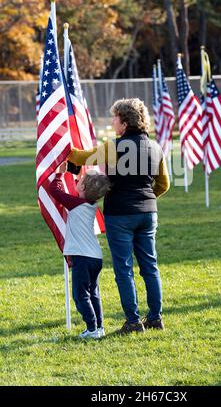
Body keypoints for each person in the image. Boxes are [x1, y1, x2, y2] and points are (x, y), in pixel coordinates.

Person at [68, 98, 170, 334]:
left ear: (124, 123)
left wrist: (64, 144)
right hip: (148, 213)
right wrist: (144, 199)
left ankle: (133, 322)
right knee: (150, 267)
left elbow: (80, 158)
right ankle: (155, 318)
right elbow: (164, 185)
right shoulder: (156, 148)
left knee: (124, 269)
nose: (112, 122)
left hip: (120, 215)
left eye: (114, 118)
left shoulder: (113, 147)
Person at [48, 164, 111, 339]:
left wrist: (60, 175)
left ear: (82, 188)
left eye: (81, 180)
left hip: (82, 257)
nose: (78, 178)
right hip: (95, 256)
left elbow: (56, 191)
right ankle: (99, 327)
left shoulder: (76, 203)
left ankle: (91, 328)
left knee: (80, 294)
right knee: (93, 292)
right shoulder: (89, 204)